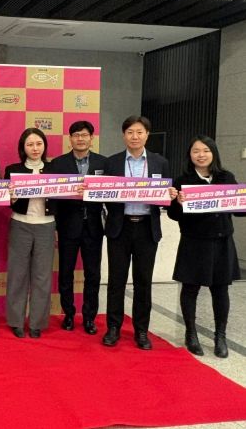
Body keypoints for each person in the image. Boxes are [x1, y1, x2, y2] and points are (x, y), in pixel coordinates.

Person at [101, 115, 177, 350]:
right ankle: (113, 327)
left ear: (147, 135)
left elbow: (166, 199)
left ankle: (141, 330)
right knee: (116, 280)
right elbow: (103, 195)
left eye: (139, 132)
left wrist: (170, 195)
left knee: (143, 281)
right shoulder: (112, 163)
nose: (135, 136)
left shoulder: (160, 162)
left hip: (146, 228)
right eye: (130, 132)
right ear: (124, 135)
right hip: (120, 227)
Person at [167, 135, 243, 358]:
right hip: (194, 242)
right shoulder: (182, 180)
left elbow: (240, 210)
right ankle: (191, 333)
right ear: (190, 155)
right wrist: (177, 203)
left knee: (220, 290)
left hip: (221, 242)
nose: (201, 155)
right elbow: (173, 215)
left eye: (206, 151)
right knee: (190, 288)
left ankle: (221, 336)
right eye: (196, 151)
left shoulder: (226, 177)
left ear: (213, 153)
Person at [49, 121, 107, 335]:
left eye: (84, 135)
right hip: (67, 227)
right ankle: (69, 314)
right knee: (66, 273)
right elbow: (53, 198)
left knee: (93, 274)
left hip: (94, 227)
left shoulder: (104, 163)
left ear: (91, 138)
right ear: (70, 139)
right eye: (76, 135)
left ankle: (90, 317)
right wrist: (55, 226)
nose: (80, 139)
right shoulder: (58, 164)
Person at [4, 128, 56, 338]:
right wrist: (11, 197)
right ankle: (16, 321)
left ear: (44, 146)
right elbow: (7, 201)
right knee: (17, 275)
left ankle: (37, 323)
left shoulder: (54, 169)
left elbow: (62, 199)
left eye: (39, 144)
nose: (35, 148)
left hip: (46, 226)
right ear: (23, 148)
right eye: (30, 144)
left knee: (42, 276)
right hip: (20, 224)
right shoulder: (13, 170)